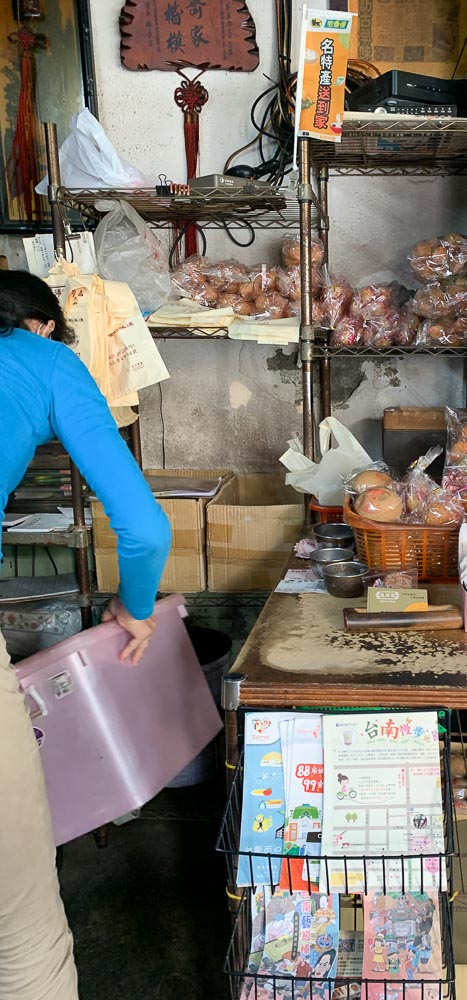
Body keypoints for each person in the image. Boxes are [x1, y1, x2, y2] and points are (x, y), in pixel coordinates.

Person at [0, 270, 172, 1000]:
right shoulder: (42, 361)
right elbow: (143, 527)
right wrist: (132, 609)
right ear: (40, 323)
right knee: (23, 930)